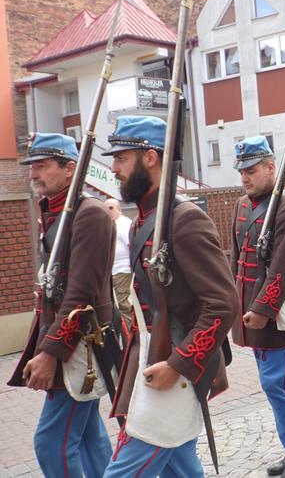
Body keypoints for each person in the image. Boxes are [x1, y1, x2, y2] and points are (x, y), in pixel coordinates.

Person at [102, 115, 237, 476]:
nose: (114, 169)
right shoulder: (142, 222)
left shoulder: (184, 219)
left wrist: (179, 364)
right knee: (181, 468)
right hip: (153, 357)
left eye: (122, 159)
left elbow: (223, 304)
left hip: (176, 365)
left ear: (150, 157)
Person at [9, 133, 115, 477]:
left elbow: (80, 297)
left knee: (51, 442)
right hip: (66, 340)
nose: (33, 174)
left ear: (70, 168)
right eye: (32, 166)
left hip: (77, 345)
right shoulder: (57, 212)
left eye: (42, 166)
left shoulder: (89, 214)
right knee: (89, 438)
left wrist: (50, 354)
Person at [231, 136, 285, 478]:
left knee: (277, 384)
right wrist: (235, 303)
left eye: (251, 170)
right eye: (241, 172)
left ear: (270, 167)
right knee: (277, 383)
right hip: (251, 310)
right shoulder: (242, 205)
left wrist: (263, 309)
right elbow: (237, 260)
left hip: (276, 313)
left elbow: (283, 267)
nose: (245, 177)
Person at [104, 198, 133, 331]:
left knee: (123, 304)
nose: (108, 211)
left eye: (111, 208)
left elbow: (131, 245)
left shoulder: (123, 223)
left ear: (119, 209)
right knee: (116, 304)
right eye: (106, 209)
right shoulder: (110, 224)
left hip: (123, 270)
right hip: (113, 271)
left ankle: (130, 333)